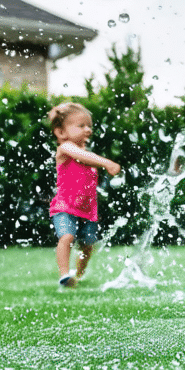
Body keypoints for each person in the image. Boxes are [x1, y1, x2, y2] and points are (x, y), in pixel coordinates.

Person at [47, 102, 121, 287]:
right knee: (67, 237)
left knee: (87, 245)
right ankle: (64, 274)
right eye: (81, 126)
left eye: (89, 126)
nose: (88, 130)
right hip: (64, 206)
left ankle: (78, 275)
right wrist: (107, 163)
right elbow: (81, 156)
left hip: (87, 210)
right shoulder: (65, 148)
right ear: (61, 132)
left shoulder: (88, 154)